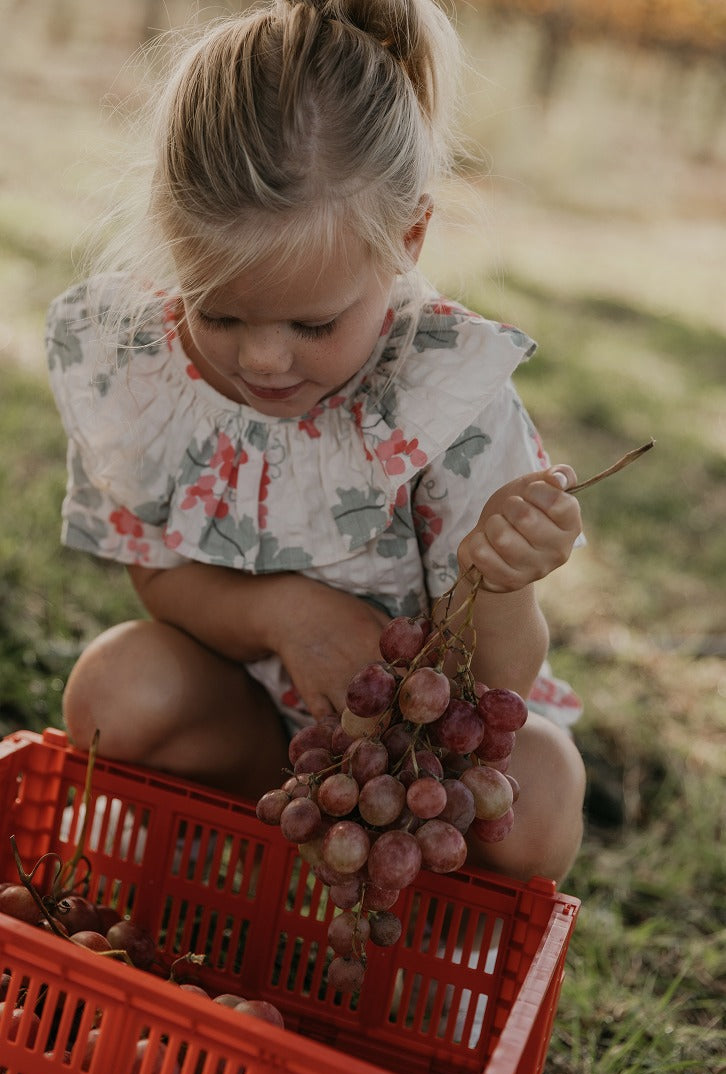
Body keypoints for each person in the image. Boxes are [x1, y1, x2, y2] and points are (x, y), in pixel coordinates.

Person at [46, 0, 586, 884]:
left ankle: (411, 897)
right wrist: (280, 612)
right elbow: (160, 573)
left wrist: (505, 579)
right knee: (114, 688)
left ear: (407, 238)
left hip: (416, 766)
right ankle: (267, 848)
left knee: (541, 790)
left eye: (313, 323)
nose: (263, 359)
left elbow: (502, 684)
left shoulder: (445, 402)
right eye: (217, 312)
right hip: (256, 722)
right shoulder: (147, 365)